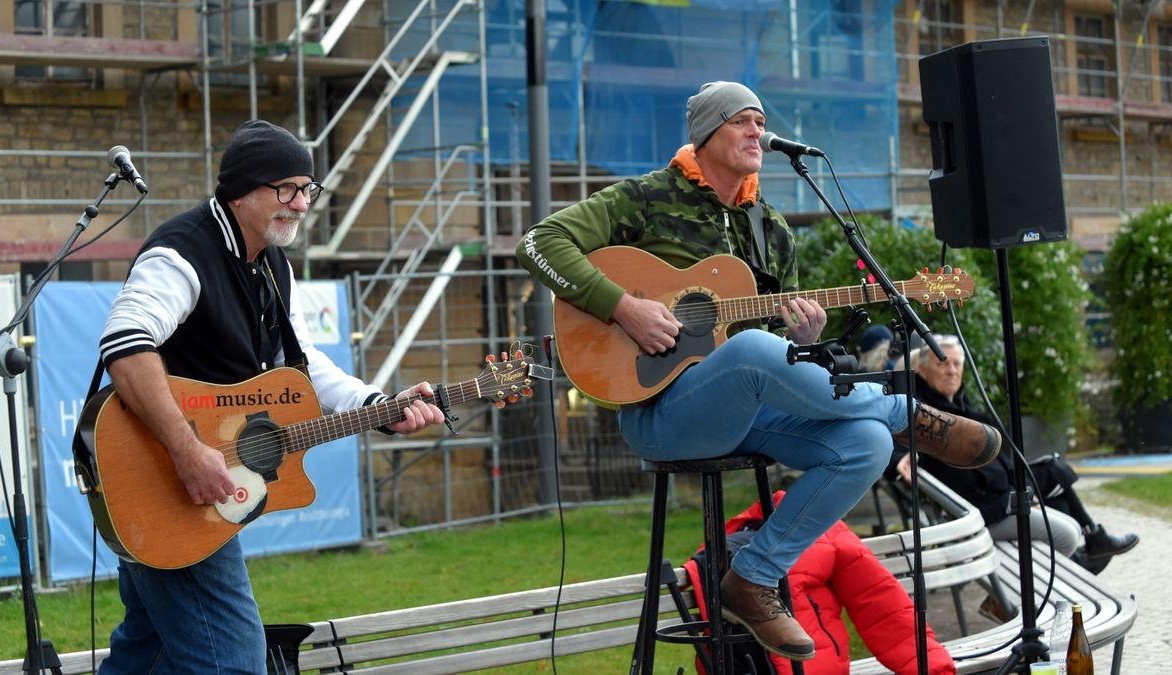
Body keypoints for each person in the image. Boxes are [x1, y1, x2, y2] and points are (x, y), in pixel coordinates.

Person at [515, 81, 1001, 661]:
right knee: (752, 356)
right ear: (706, 133)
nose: (757, 133)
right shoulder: (643, 199)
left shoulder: (771, 229)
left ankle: (751, 578)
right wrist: (624, 307)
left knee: (866, 442)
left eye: (761, 122)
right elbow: (540, 242)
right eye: (742, 121)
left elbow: (773, 349)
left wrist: (804, 338)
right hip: (659, 414)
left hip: (743, 411)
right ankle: (907, 411)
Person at [94, 119, 446, 673]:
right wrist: (188, 453)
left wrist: (378, 405)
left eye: (308, 189)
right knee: (235, 661)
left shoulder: (272, 264)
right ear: (243, 190)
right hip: (173, 481)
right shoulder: (182, 252)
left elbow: (302, 366)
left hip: (168, 505)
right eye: (287, 189)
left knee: (147, 655)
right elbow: (125, 343)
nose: (302, 203)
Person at [888, 335, 1138, 580]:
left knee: (1058, 503)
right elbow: (895, 436)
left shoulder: (961, 408)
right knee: (1067, 533)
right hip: (984, 513)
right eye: (943, 363)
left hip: (1002, 500)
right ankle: (1059, 578)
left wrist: (1021, 492)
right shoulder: (921, 411)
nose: (952, 371)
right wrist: (901, 457)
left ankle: (1076, 564)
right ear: (921, 370)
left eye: (957, 364)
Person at [683, 493, 956, 675]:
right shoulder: (727, 551)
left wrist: (933, 668)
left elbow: (882, 605)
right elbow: (881, 604)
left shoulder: (823, 527)